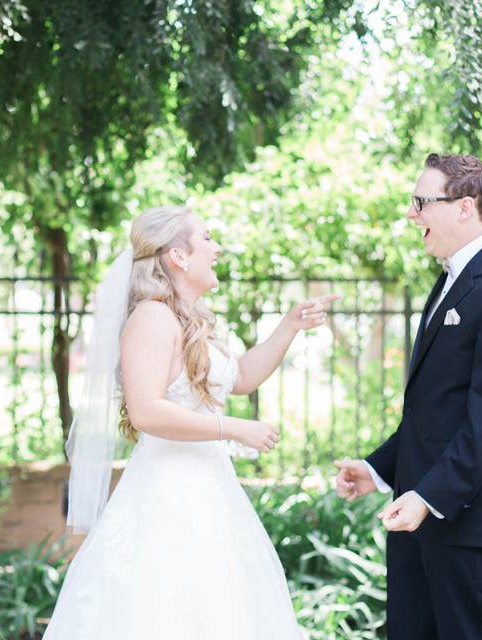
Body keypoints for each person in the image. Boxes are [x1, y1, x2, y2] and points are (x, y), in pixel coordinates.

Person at [44, 205, 338, 640]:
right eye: (206, 238)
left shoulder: (193, 319)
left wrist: (289, 326)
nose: (216, 248)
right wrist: (233, 428)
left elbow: (238, 378)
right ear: (177, 256)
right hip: (166, 494)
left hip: (211, 490)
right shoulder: (151, 318)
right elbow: (146, 411)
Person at [333, 154, 482, 639]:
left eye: (421, 203)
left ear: (464, 207)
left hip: (464, 520)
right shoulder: (450, 280)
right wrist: (376, 469)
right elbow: (434, 410)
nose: (412, 214)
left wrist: (429, 497)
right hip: (418, 514)